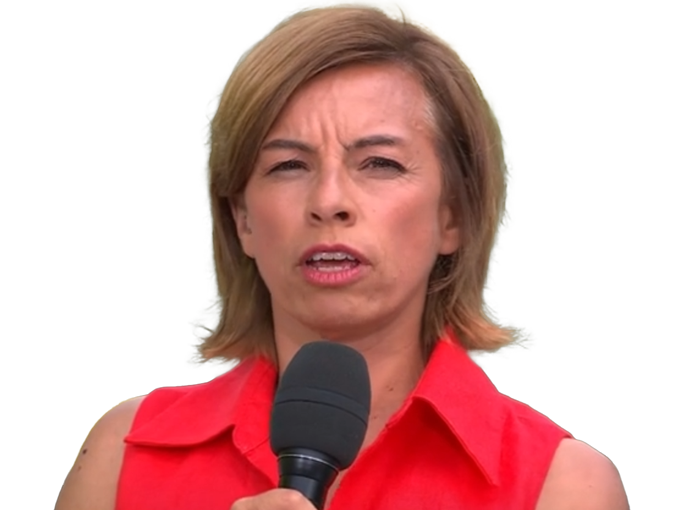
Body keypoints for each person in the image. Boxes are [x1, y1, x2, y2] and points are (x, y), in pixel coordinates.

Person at [55, 4, 629, 510]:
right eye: (288, 165)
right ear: (242, 219)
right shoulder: (124, 457)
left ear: (453, 216)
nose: (329, 201)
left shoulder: (560, 485)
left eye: (379, 164)